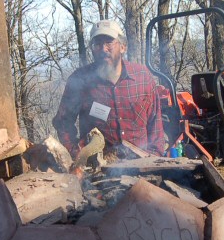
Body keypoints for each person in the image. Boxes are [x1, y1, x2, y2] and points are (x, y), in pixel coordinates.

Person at [53, 20, 166, 158]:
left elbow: (156, 123)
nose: (103, 49)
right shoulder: (80, 80)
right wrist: (76, 153)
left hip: (141, 163)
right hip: (98, 168)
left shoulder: (142, 77)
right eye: (97, 44)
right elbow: (62, 121)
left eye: (109, 42)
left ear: (123, 47)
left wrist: (154, 157)